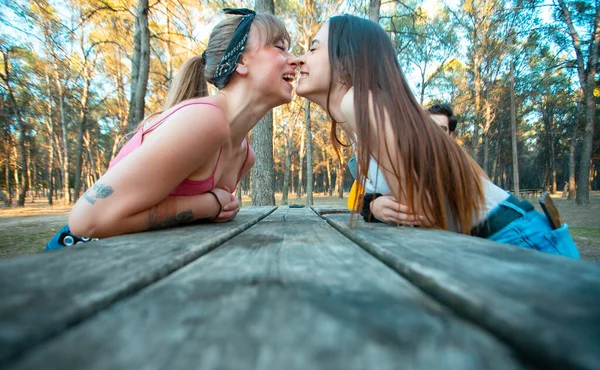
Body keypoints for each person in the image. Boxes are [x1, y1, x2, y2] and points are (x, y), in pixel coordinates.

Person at [295, 14, 579, 258]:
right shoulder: (363, 115)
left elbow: (422, 219)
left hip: (518, 242)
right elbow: (402, 202)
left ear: (347, 59)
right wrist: (375, 206)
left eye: (312, 49)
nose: (299, 59)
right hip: (499, 238)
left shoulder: (362, 103)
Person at [46, 8, 297, 250]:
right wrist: (210, 205)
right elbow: (86, 221)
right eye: (280, 47)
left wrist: (215, 208)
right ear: (241, 60)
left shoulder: (245, 156)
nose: (294, 59)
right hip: (77, 257)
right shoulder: (204, 120)